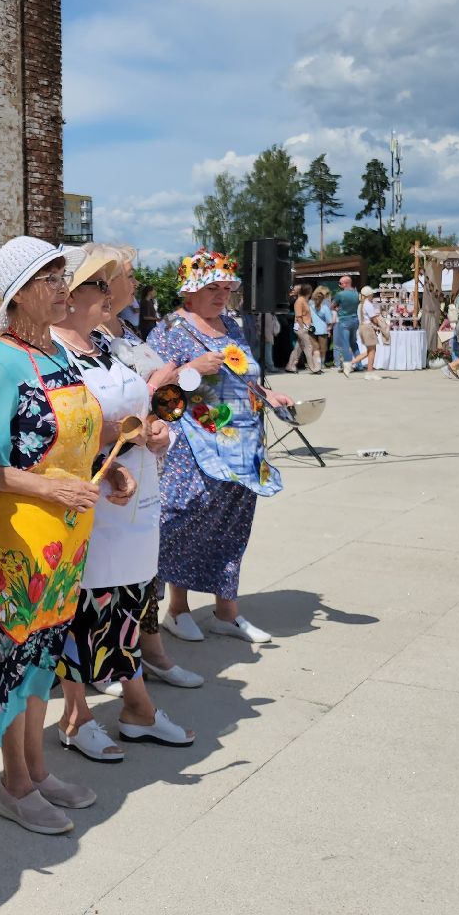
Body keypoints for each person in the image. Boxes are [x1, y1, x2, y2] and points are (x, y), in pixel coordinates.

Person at [0, 237, 115, 836]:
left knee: (42, 659)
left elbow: (72, 444)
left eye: (61, 276)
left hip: (65, 540)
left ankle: (38, 771)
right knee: (13, 660)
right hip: (18, 544)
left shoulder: (57, 356)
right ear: (19, 294)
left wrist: (109, 470)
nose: (62, 288)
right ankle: (14, 784)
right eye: (49, 278)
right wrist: (53, 490)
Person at [51, 247, 192, 765]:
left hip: (136, 500)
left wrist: (157, 430)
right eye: (99, 284)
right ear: (70, 296)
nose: (109, 294)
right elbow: (58, 429)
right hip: (91, 501)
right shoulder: (52, 354)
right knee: (82, 609)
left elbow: (142, 408)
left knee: (128, 602)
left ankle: (136, 708)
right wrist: (123, 434)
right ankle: (76, 715)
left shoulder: (105, 346)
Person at [154, 250, 293, 647]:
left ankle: (226, 613)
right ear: (189, 290)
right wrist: (192, 368)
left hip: (242, 446)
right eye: (212, 287)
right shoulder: (169, 329)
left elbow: (244, 376)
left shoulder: (230, 325)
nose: (221, 295)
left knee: (233, 526)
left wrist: (268, 395)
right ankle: (177, 609)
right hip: (193, 445)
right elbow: (155, 389)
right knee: (184, 522)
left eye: (227, 288)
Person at [286, 284, 322, 373]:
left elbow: (306, 315)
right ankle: (313, 368)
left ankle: (290, 366)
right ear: (308, 291)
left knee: (298, 348)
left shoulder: (304, 300)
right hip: (301, 327)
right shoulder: (299, 301)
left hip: (305, 326)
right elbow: (298, 316)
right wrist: (303, 327)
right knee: (308, 346)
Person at [333, 274, 361, 374]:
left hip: (344, 320)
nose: (339, 285)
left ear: (345, 283)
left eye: (340, 283)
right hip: (355, 319)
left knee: (345, 344)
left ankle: (347, 366)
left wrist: (337, 309)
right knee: (354, 343)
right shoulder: (356, 293)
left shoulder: (340, 294)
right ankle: (359, 364)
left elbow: (332, 305)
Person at [357, 285, 388, 372]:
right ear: (369, 295)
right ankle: (368, 371)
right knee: (372, 351)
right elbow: (374, 319)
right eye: (372, 294)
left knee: (370, 350)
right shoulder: (368, 304)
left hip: (362, 327)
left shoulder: (360, 305)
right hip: (368, 328)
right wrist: (380, 323)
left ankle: (355, 364)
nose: (373, 296)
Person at [312, 286, 336, 368]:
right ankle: (321, 363)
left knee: (315, 348)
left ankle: (316, 363)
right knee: (323, 349)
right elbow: (329, 320)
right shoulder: (325, 306)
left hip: (312, 329)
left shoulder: (310, 304)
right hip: (323, 329)